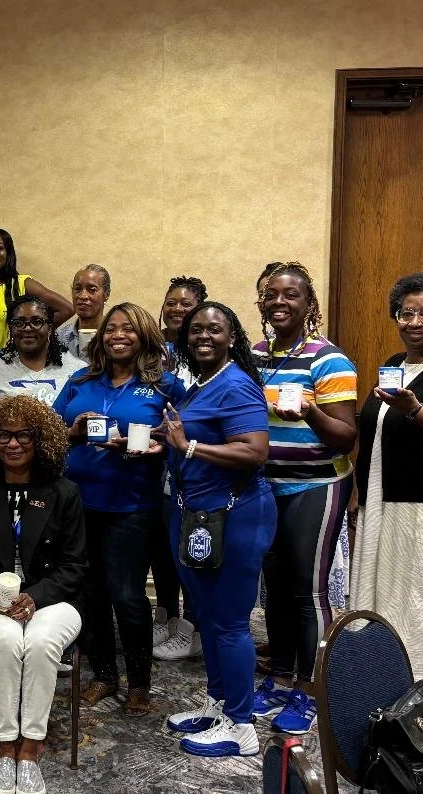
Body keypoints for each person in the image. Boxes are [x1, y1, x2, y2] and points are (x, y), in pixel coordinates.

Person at [53, 303, 184, 717]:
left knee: (127, 596)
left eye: (128, 328)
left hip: (133, 506)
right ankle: (104, 675)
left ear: (144, 335)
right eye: (111, 329)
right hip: (79, 505)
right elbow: (50, 432)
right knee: (90, 594)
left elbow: (185, 439)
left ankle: (140, 684)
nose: (118, 335)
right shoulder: (81, 380)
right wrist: (72, 434)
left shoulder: (165, 387)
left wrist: (160, 447)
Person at [0, 396, 86, 794]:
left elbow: (75, 565)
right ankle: (3, 749)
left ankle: (29, 750)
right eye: (4, 436)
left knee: (42, 641)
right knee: (6, 639)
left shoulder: (64, 492)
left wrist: (34, 597)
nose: (13, 444)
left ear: (40, 439)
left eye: (23, 435)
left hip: (53, 599)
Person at [162, 301, 274, 757]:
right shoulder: (203, 384)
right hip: (200, 517)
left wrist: (189, 449)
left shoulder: (237, 384)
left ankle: (242, 725)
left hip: (236, 516)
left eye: (214, 329)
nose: (203, 336)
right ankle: (221, 703)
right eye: (195, 330)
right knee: (207, 618)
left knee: (228, 624)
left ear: (232, 337)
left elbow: (255, 451)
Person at [249, 262, 357, 735]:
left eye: (290, 295)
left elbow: (345, 438)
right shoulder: (253, 354)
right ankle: (279, 676)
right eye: (271, 294)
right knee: (275, 586)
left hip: (317, 484)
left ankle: (312, 692)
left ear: (308, 304)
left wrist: (310, 409)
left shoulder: (328, 359)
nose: (279, 302)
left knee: (307, 588)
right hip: (266, 486)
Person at [351, 271, 423, 684]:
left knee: (421, 603)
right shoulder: (393, 365)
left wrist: (415, 409)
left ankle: (422, 692)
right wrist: (359, 494)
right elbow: (374, 434)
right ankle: (382, 679)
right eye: (406, 313)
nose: (416, 323)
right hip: (382, 505)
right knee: (384, 601)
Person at [152, 276, 208, 661]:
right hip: (158, 463)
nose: (176, 309)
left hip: (196, 463)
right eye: (170, 302)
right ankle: (168, 619)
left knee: (194, 547)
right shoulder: (154, 349)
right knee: (165, 546)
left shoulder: (205, 350)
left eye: (185, 304)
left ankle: (196, 628)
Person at [0, 295, 84, 405]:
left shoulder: (77, 370)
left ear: (49, 328)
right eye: (19, 323)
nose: (27, 328)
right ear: (11, 329)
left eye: (37, 322)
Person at [55, 265, 111, 360]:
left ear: (107, 294)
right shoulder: (60, 338)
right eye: (77, 289)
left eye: (92, 290)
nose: (83, 296)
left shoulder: (115, 338)